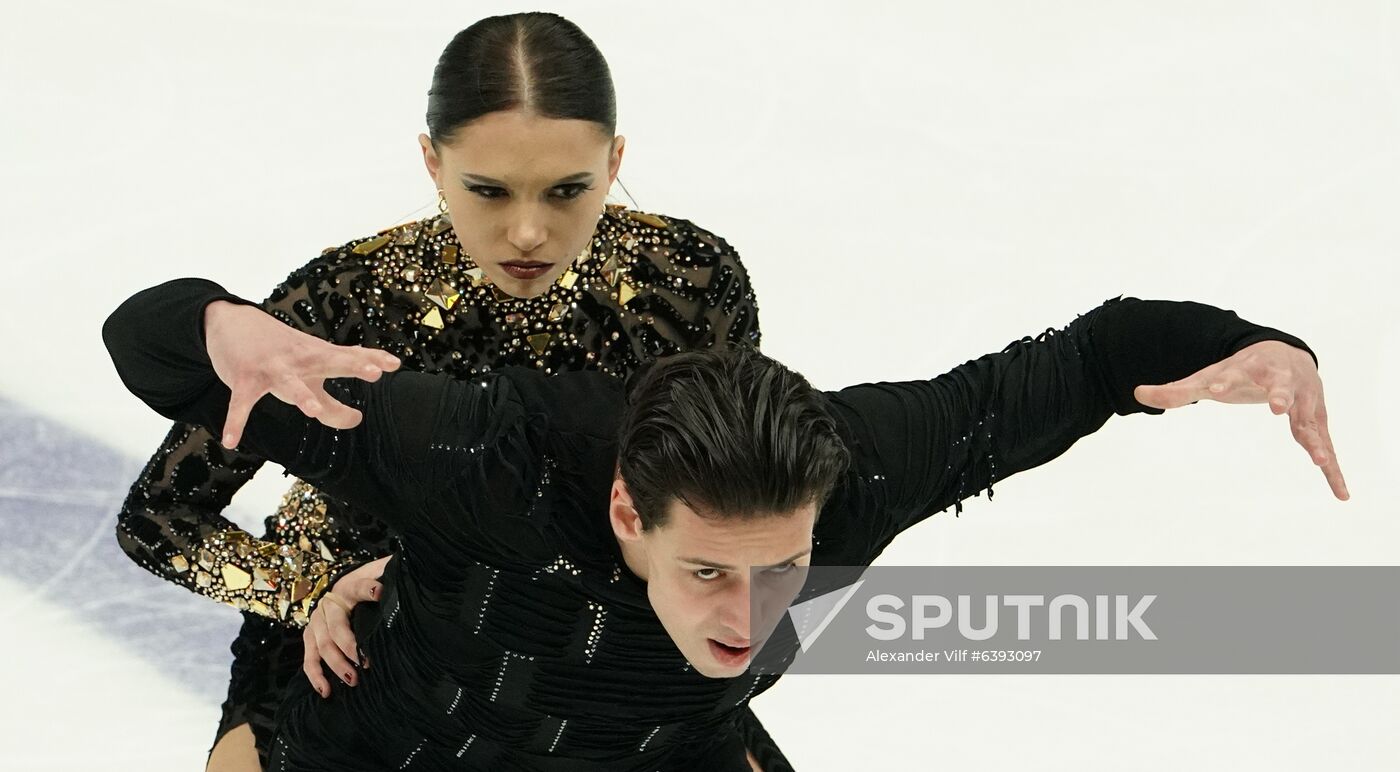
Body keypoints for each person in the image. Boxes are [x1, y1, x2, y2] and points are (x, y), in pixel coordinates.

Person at [102, 274, 1347, 770]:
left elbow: (1085, 361)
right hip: (395, 748)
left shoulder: (853, 472)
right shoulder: (479, 456)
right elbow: (149, 346)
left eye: (781, 569)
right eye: (704, 569)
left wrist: (1248, 344)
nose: (747, 614)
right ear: (624, 507)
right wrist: (221, 323)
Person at [111, 12, 786, 772]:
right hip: (366, 648)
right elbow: (161, 517)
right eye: (489, 191)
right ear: (433, 163)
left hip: (610, 645)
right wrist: (310, 594)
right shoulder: (351, 299)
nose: (528, 232)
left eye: (568, 190)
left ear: (615, 159)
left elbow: (730, 496)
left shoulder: (689, 285)